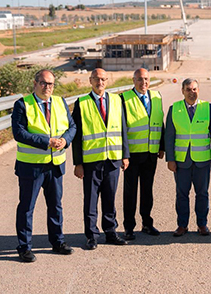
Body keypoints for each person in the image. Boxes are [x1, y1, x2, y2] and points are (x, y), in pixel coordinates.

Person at [11, 69, 77, 263]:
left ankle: (58, 242)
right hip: (31, 167)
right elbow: (19, 133)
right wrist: (46, 141)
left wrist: (65, 140)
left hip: (55, 165)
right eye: (43, 83)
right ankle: (24, 247)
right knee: (27, 208)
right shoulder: (23, 104)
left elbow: (72, 127)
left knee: (55, 206)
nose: (47, 87)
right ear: (35, 83)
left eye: (51, 84)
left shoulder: (60, 102)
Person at [72, 68, 130, 250]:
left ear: (107, 81)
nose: (100, 82)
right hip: (91, 162)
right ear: (90, 80)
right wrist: (78, 163)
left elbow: (123, 129)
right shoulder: (81, 103)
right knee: (90, 200)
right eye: (97, 79)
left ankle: (111, 232)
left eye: (103, 79)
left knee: (110, 198)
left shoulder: (116, 100)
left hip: (113, 159)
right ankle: (91, 235)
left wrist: (125, 155)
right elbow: (77, 135)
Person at [164, 78, 211, 236]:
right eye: (188, 89)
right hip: (181, 161)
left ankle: (202, 224)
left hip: (202, 160)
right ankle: (182, 225)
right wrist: (170, 159)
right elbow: (169, 136)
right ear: (182, 91)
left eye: (194, 89)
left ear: (198, 90)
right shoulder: (174, 108)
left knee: (202, 193)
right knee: (182, 194)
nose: (191, 92)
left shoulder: (207, 108)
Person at [121, 68, 165, 240]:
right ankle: (129, 227)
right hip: (132, 155)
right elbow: (122, 129)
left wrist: (161, 147)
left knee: (147, 191)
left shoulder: (156, 97)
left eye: (146, 79)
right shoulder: (125, 99)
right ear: (133, 80)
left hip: (150, 154)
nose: (143, 82)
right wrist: (124, 154)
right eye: (140, 79)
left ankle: (147, 223)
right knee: (130, 193)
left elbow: (159, 121)